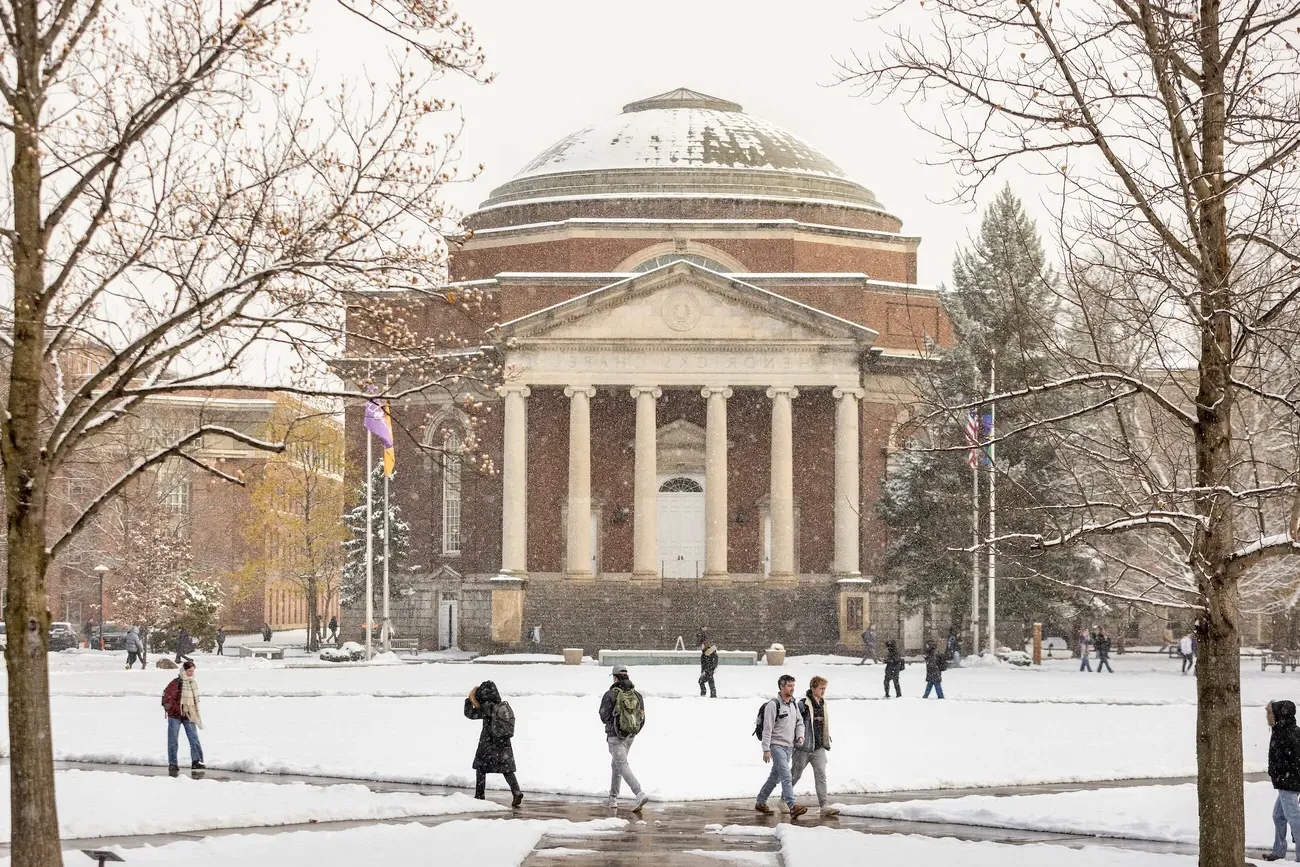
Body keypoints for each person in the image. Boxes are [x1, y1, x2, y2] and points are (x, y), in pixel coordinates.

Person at [463, 680, 523, 808]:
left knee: (480, 768)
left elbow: (470, 714)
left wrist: (468, 701)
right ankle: (516, 791)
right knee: (507, 770)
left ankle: (479, 796)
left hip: (488, 743)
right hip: (504, 742)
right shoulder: (501, 705)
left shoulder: (486, 706)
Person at [755, 673, 807, 818]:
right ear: (781, 686)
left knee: (775, 777)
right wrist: (766, 749)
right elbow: (768, 728)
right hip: (776, 746)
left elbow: (799, 722)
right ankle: (792, 805)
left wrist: (800, 736)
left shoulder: (793, 704)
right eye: (789, 686)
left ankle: (760, 801)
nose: (792, 688)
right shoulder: (773, 705)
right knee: (786, 774)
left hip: (789, 747)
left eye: (793, 685)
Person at [599, 664, 649, 811]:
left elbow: (603, 715)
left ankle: (639, 793)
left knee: (622, 765)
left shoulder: (611, 694)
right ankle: (613, 798)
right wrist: (632, 730)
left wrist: (614, 726)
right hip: (630, 736)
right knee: (617, 765)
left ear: (615, 677)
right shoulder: (637, 695)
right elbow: (642, 717)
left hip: (615, 736)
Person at [792, 676, 838, 817]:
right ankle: (784, 798)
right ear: (813, 688)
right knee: (795, 775)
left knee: (821, 775)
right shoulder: (803, 704)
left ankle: (824, 805)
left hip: (819, 747)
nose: (823, 691)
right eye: (821, 688)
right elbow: (794, 723)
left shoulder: (823, 703)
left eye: (825, 688)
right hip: (803, 748)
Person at [1265, 701, 1300, 861]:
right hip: (1285, 783)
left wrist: (1280, 775)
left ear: (1280, 714)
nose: (1267, 715)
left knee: (1294, 819)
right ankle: (1278, 853)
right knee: (1278, 816)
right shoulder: (1284, 730)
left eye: (1270, 712)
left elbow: (1292, 760)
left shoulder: (1287, 734)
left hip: (1288, 784)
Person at [161, 660, 205, 776]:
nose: (191, 673)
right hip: (175, 715)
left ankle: (197, 761)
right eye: (189, 671)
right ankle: (173, 763)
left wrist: (187, 710)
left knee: (194, 738)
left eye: (192, 671)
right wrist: (178, 709)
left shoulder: (192, 683)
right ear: (184, 670)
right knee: (173, 740)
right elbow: (168, 698)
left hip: (188, 714)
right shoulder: (176, 683)